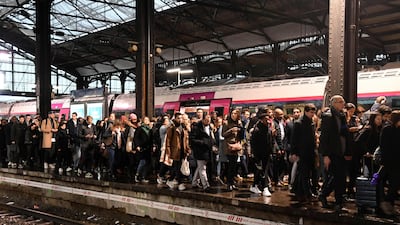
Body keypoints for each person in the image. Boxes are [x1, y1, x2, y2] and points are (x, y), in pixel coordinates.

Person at [318, 95, 349, 212]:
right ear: (334, 103)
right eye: (341, 102)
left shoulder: (341, 116)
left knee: (339, 177)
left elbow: (344, 133)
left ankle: (336, 200)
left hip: (340, 151)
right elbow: (324, 137)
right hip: (332, 152)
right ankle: (334, 199)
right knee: (336, 177)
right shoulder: (328, 117)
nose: (343, 103)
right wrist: (325, 155)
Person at [290, 104, 317, 203]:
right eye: (311, 112)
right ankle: (307, 194)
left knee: (305, 173)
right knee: (304, 174)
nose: (312, 114)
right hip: (302, 152)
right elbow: (294, 139)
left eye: (313, 113)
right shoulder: (299, 123)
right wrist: (294, 152)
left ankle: (300, 192)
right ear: (306, 111)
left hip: (310, 152)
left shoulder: (311, 123)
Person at [379, 110, 400, 216]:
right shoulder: (388, 129)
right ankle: (386, 202)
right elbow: (384, 146)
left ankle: (389, 206)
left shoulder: (397, 129)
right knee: (394, 183)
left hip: (396, 161)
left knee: (394, 183)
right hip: (390, 162)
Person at [249, 109, 273, 197]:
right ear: (262, 119)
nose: (268, 120)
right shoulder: (257, 130)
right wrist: (254, 154)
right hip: (258, 154)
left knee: (263, 170)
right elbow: (253, 143)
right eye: (266, 119)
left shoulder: (268, 129)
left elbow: (270, 141)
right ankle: (265, 187)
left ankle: (255, 185)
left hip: (266, 153)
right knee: (261, 170)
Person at [165, 112, 191, 191]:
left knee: (178, 167)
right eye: (178, 118)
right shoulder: (172, 128)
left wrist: (187, 149)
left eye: (181, 118)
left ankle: (172, 180)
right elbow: (168, 140)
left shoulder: (183, 127)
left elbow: (186, 140)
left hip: (182, 151)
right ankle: (180, 183)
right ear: (175, 118)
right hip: (175, 151)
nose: (180, 120)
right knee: (177, 167)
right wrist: (168, 152)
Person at [190, 114, 215, 192]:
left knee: (200, 167)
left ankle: (194, 182)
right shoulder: (196, 128)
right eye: (207, 120)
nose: (208, 121)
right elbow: (192, 139)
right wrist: (203, 142)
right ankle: (205, 185)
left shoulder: (210, 127)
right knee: (202, 168)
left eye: (209, 120)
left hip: (208, 150)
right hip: (200, 151)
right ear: (203, 120)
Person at [222, 109, 243, 191]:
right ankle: (229, 184)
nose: (233, 115)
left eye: (235, 113)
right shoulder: (226, 123)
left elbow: (242, 135)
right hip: (229, 146)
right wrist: (231, 130)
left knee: (234, 166)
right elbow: (223, 134)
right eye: (232, 113)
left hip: (236, 146)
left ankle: (232, 183)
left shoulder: (238, 123)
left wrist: (240, 127)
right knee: (230, 166)